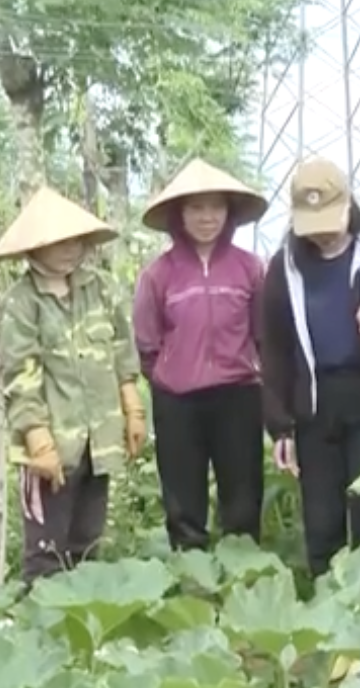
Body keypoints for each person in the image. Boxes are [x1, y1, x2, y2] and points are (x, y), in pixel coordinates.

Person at [259, 156, 360, 577]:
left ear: (348, 204)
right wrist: (280, 426)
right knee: (322, 520)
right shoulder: (285, 268)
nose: (321, 235)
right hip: (314, 404)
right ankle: (328, 613)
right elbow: (274, 349)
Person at [0, 186, 147, 584]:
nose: (69, 249)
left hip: (99, 441)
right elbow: (20, 375)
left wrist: (132, 409)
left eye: (75, 239)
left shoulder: (101, 288)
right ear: (34, 247)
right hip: (52, 448)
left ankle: (81, 636)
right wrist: (39, 441)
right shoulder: (21, 302)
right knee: (46, 553)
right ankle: (41, 637)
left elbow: (122, 355)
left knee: (87, 543)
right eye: (57, 241)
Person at [134, 158, 270, 551]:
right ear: (179, 214)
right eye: (196, 207)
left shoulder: (250, 268)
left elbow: (263, 335)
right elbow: (147, 344)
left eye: (216, 206)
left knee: (243, 500)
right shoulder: (157, 275)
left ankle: (243, 584)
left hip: (239, 395)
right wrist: (169, 374)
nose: (207, 217)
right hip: (177, 401)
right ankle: (193, 587)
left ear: (229, 212)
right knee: (183, 503)